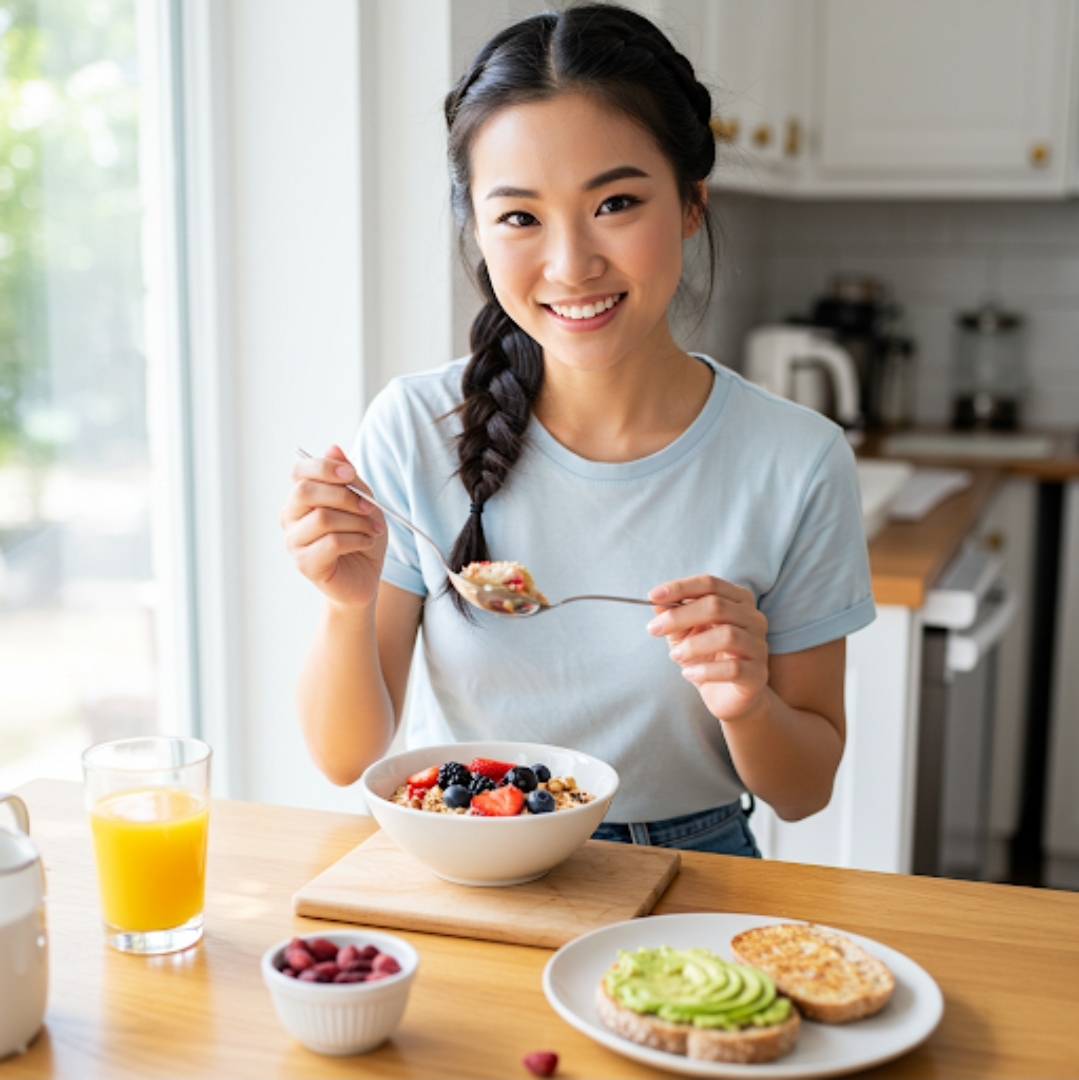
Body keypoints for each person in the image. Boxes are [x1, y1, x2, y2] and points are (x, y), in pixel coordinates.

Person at [280, 3, 875, 857]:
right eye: (519, 217)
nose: (570, 265)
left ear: (691, 203)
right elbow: (345, 759)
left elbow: (805, 788)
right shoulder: (416, 426)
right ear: (478, 231)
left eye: (616, 203)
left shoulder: (798, 459)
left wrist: (747, 700)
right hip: (474, 852)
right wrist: (344, 605)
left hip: (694, 863)